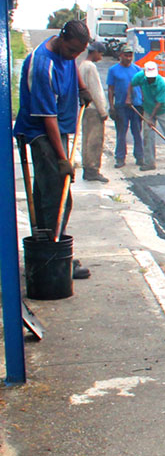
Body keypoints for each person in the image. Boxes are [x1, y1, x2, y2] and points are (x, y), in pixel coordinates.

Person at [12, 19, 91, 279]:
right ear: (61, 39)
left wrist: (81, 87)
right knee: (58, 196)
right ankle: (52, 259)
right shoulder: (42, 66)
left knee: (48, 192)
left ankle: (51, 254)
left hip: (59, 129)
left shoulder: (67, 52)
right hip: (41, 134)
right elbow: (48, 120)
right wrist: (62, 159)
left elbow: (71, 62)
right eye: (72, 51)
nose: (74, 57)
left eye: (79, 53)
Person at [76, 41, 110, 183]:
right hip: (94, 110)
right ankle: (92, 170)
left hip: (86, 109)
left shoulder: (82, 65)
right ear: (94, 52)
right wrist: (103, 111)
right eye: (100, 54)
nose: (101, 57)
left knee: (87, 139)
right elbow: (96, 91)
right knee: (95, 141)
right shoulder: (90, 67)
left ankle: (88, 168)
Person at [106, 44, 143, 168]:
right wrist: (111, 106)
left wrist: (143, 103)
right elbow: (110, 89)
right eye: (126, 55)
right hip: (121, 106)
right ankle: (120, 158)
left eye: (130, 55)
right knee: (121, 133)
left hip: (136, 105)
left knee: (137, 131)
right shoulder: (113, 70)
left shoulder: (137, 70)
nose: (128, 58)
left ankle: (140, 157)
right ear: (120, 55)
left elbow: (142, 88)